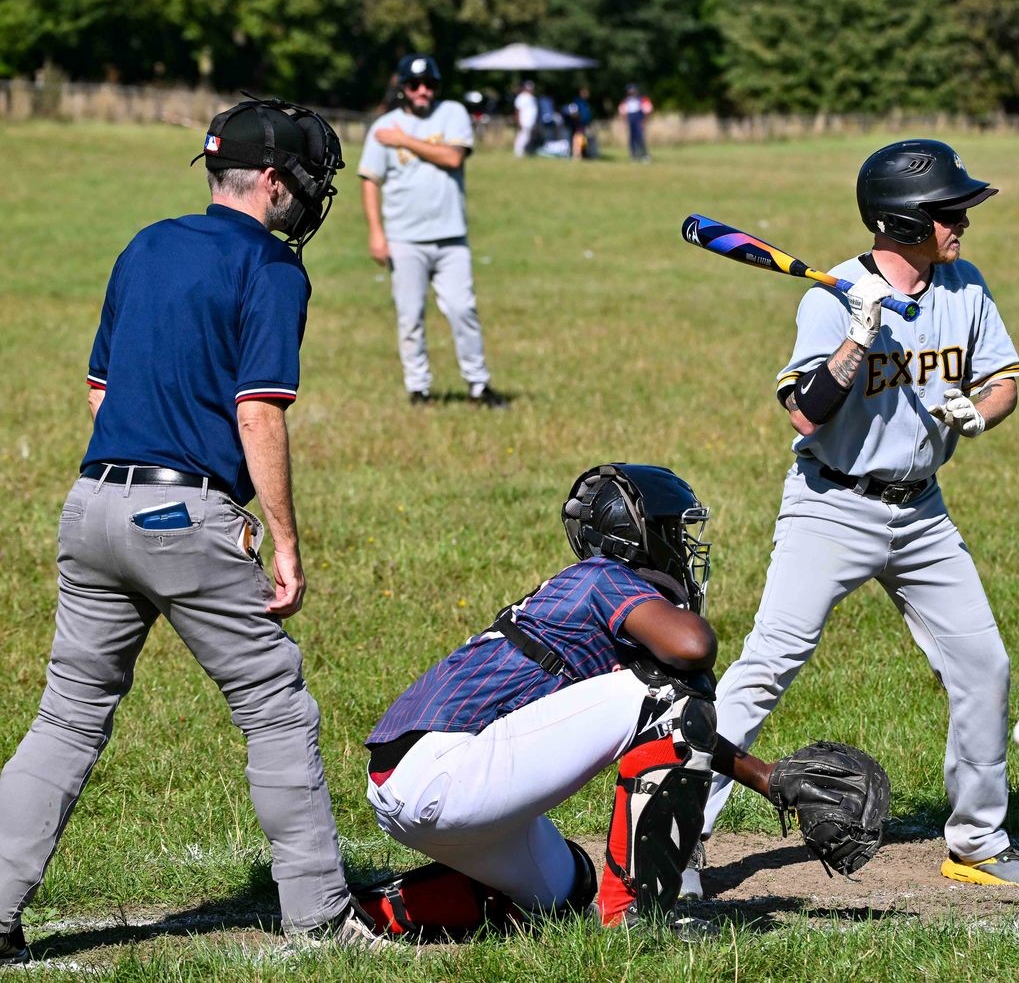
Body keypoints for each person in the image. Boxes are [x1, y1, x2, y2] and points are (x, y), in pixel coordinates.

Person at [0, 98, 383, 963]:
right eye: (310, 181)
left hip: (92, 501)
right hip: (184, 510)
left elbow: (101, 390)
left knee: (65, 719)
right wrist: (285, 542)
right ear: (277, 183)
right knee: (276, 706)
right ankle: (321, 917)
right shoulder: (274, 270)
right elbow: (258, 413)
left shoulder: (145, 244)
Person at [684, 138, 1019, 897]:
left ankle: (977, 838)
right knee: (765, 668)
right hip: (831, 508)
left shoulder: (965, 288)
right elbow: (806, 414)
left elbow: (1004, 381)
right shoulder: (831, 298)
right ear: (904, 221)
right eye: (951, 212)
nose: (963, 225)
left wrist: (975, 416)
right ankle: (680, 844)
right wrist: (858, 337)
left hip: (921, 514)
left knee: (985, 664)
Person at [360, 464, 873, 931]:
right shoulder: (605, 577)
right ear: (637, 535)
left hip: (415, 781)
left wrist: (765, 778)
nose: (684, 545)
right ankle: (633, 919)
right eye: (674, 529)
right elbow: (691, 651)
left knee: (568, 892)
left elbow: (665, 723)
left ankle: (373, 915)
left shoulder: (581, 590)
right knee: (673, 692)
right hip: (445, 769)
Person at [359, 53, 506, 408]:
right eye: (414, 85)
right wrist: (376, 233)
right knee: (410, 316)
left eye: (429, 84)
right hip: (405, 237)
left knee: (462, 310)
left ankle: (478, 384)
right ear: (403, 88)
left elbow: (453, 157)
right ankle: (418, 389)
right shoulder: (384, 127)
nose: (423, 90)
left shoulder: (452, 113)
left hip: (451, 236)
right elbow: (369, 180)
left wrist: (405, 141)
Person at [619, 83, 652, 162]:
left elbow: (648, 110)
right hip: (631, 121)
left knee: (640, 138)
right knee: (632, 139)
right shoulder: (626, 100)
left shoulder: (642, 99)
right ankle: (633, 156)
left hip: (638, 120)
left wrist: (644, 121)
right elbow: (622, 112)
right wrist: (625, 121)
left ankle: (644, 155)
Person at [564, 87, 594, 160]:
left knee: (582, 140)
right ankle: (577, 154)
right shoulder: (577, 102)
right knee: (578, 139)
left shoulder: (585, 103)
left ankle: (582, 153)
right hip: (578, 124)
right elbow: (573, 113)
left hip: (583, 124)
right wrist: (578, 120)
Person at [512, 80, 537, 156]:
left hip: (530, 121)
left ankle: (525, 151)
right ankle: (518, 152)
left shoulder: (532, 97)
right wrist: (518, 121)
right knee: (522, 137)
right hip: (524, 121)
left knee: (527, 137)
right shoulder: (521, 97)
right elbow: (517, 110)